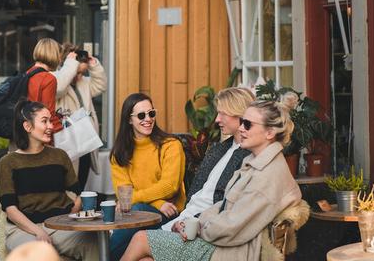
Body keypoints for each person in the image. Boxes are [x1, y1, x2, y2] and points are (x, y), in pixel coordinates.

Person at [121, 99, 302, 261]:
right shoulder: (255, 162)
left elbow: (233, 226)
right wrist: (192, 223)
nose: (240, 128)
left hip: (230, 251)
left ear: (269, 132)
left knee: (142, 238)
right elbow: (224, 205)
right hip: (221, 241)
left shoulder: (267, 176)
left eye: (247, 124)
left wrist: (198, 229)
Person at [0, 99, 98, 260]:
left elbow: (78, 194)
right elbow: (11, 210)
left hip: (59, 226)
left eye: (50, 120)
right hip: (23, 229)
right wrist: (38, 232)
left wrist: (68, 218)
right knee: (39, 252)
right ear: (27, 126)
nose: (51, 126)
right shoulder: (8, 162)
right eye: (45, 121)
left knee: (92, 240)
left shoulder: (59, 156)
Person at [161, 87, 254, 231]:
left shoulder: (248, 157)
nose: (217, 119)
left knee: (139, 239)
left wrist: (193, 222)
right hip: (185, 220)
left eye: (223, 113)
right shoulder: (219, 149)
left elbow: (227, 208)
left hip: (202, 228)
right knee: (141, 247)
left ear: (240, 114)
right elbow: (196, 196)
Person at [109, 93, 186, 261]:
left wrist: (136, 199)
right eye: (141, 115)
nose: (148, 119)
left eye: (151, 113)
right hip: (155, 207)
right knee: (134, 213)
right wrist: (157, 202)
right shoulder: (119, 154)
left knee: (135, 212)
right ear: (129, 120)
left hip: (170, 212)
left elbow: (169, 186)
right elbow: (124, 193)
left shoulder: (171, 145)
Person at [53, 43, 107, 191]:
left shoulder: (83, 83)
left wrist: (93, 64)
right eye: (77, 72)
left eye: (82, 73)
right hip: (70, 141)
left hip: (86, 140)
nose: (79, 76)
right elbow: (59, 88)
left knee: (80, 184)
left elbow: (101, 85)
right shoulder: (57, 80)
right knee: (69, 183)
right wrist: (71, 67)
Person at [27, 38, 63, 132]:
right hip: (39, 134)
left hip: (27, 130)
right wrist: (63, 130)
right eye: (59, 55)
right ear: (53, 55)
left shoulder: (28, 73)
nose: (60, 59)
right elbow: (48, 113)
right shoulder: (49, 79)